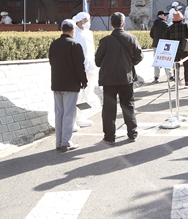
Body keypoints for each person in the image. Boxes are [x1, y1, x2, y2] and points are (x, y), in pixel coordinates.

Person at [95, 12, 143, 145]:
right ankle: (132, 133)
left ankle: (109, 137)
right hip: (126, 77)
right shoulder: (131, 38)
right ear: (123, 24)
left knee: (109, 108)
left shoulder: (105, 41)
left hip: (109, 79)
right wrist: (129, 64)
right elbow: (139, 56)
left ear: (111, 24)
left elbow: (98, 61)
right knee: (128, 105)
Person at [49, 19, 87, 152]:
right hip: (71, 84)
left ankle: (59, 142)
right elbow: (79, 66)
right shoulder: (75, 45)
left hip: (57, 83)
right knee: (69, 114)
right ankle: (66, 142)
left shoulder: (54, 44)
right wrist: (84, 80)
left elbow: (51, 62)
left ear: (62, 29)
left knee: (59, 113)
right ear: (73, 30)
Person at [72, 12, 98, 127]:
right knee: (77, 93)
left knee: (88, 92)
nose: (87, 22)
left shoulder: (89, 33)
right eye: (85, 20)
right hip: (80, 66)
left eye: (88, 20)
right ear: (78, 21)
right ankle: (73, 118)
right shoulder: (75, 32)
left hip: (91, 66)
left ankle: (80, 116)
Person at [164, 10, 188, 87]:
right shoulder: (186, 26)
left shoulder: (170, 28)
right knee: (186, 66)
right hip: (185, 49)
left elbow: (165, 37)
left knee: (176, 66)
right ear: (182, 18)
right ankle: (187, 82)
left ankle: (177, 82)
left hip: (174, 50)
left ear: (173, 19)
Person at [150, 10, 173, 83]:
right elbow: (170, 32)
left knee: (157, 61)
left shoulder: (155, 23)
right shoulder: (164, 23)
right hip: (163, 45)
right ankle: (169, 76)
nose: (165, 16)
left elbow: (151, 34)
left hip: (155, 44)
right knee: (165, 59)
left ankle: (156, 76)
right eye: (164, 15)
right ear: (159, 16)